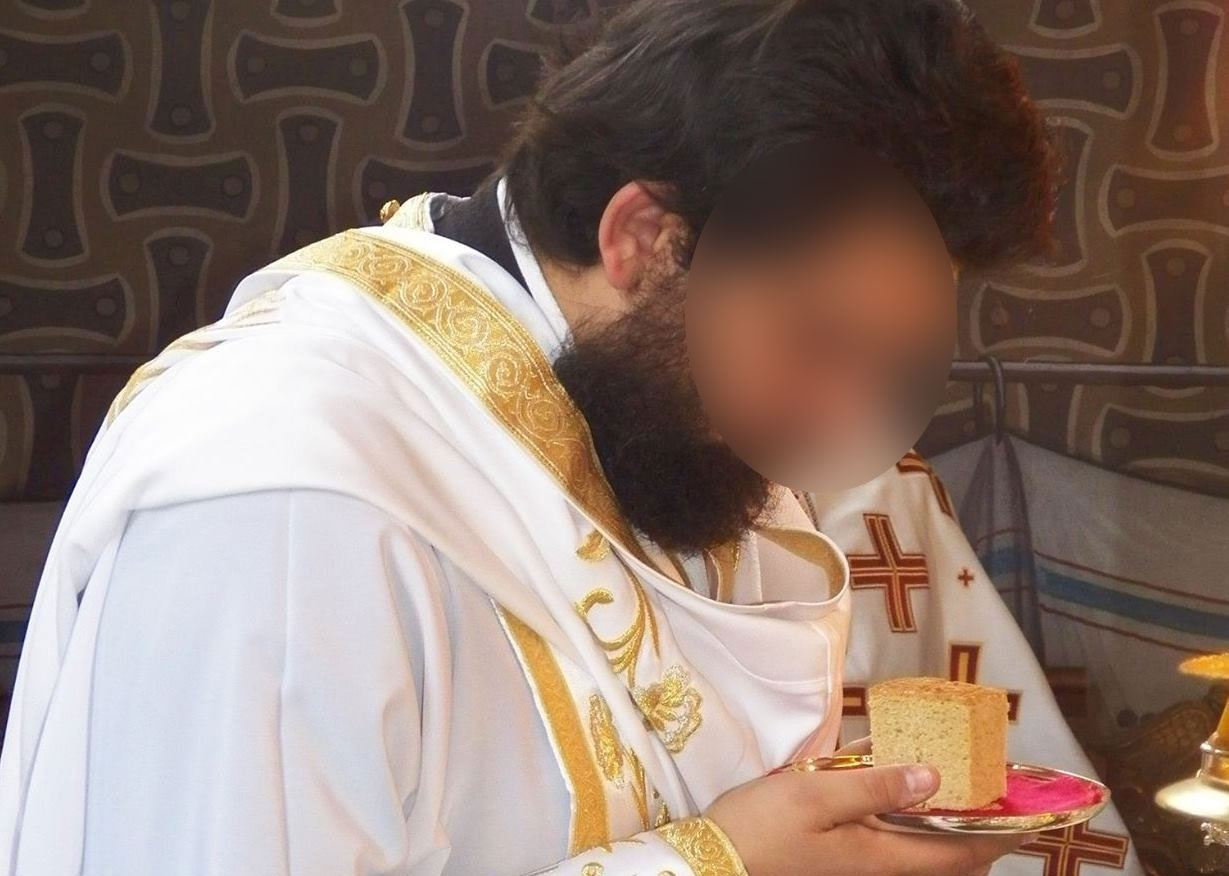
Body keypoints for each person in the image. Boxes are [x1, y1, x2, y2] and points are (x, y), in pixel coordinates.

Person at [0, 0, 1061, 874]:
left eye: (880, 362)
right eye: (814, 339)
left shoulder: (663, 431)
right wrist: (721, 864)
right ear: (643, 239)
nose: (833, 417)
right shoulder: (286, 487)